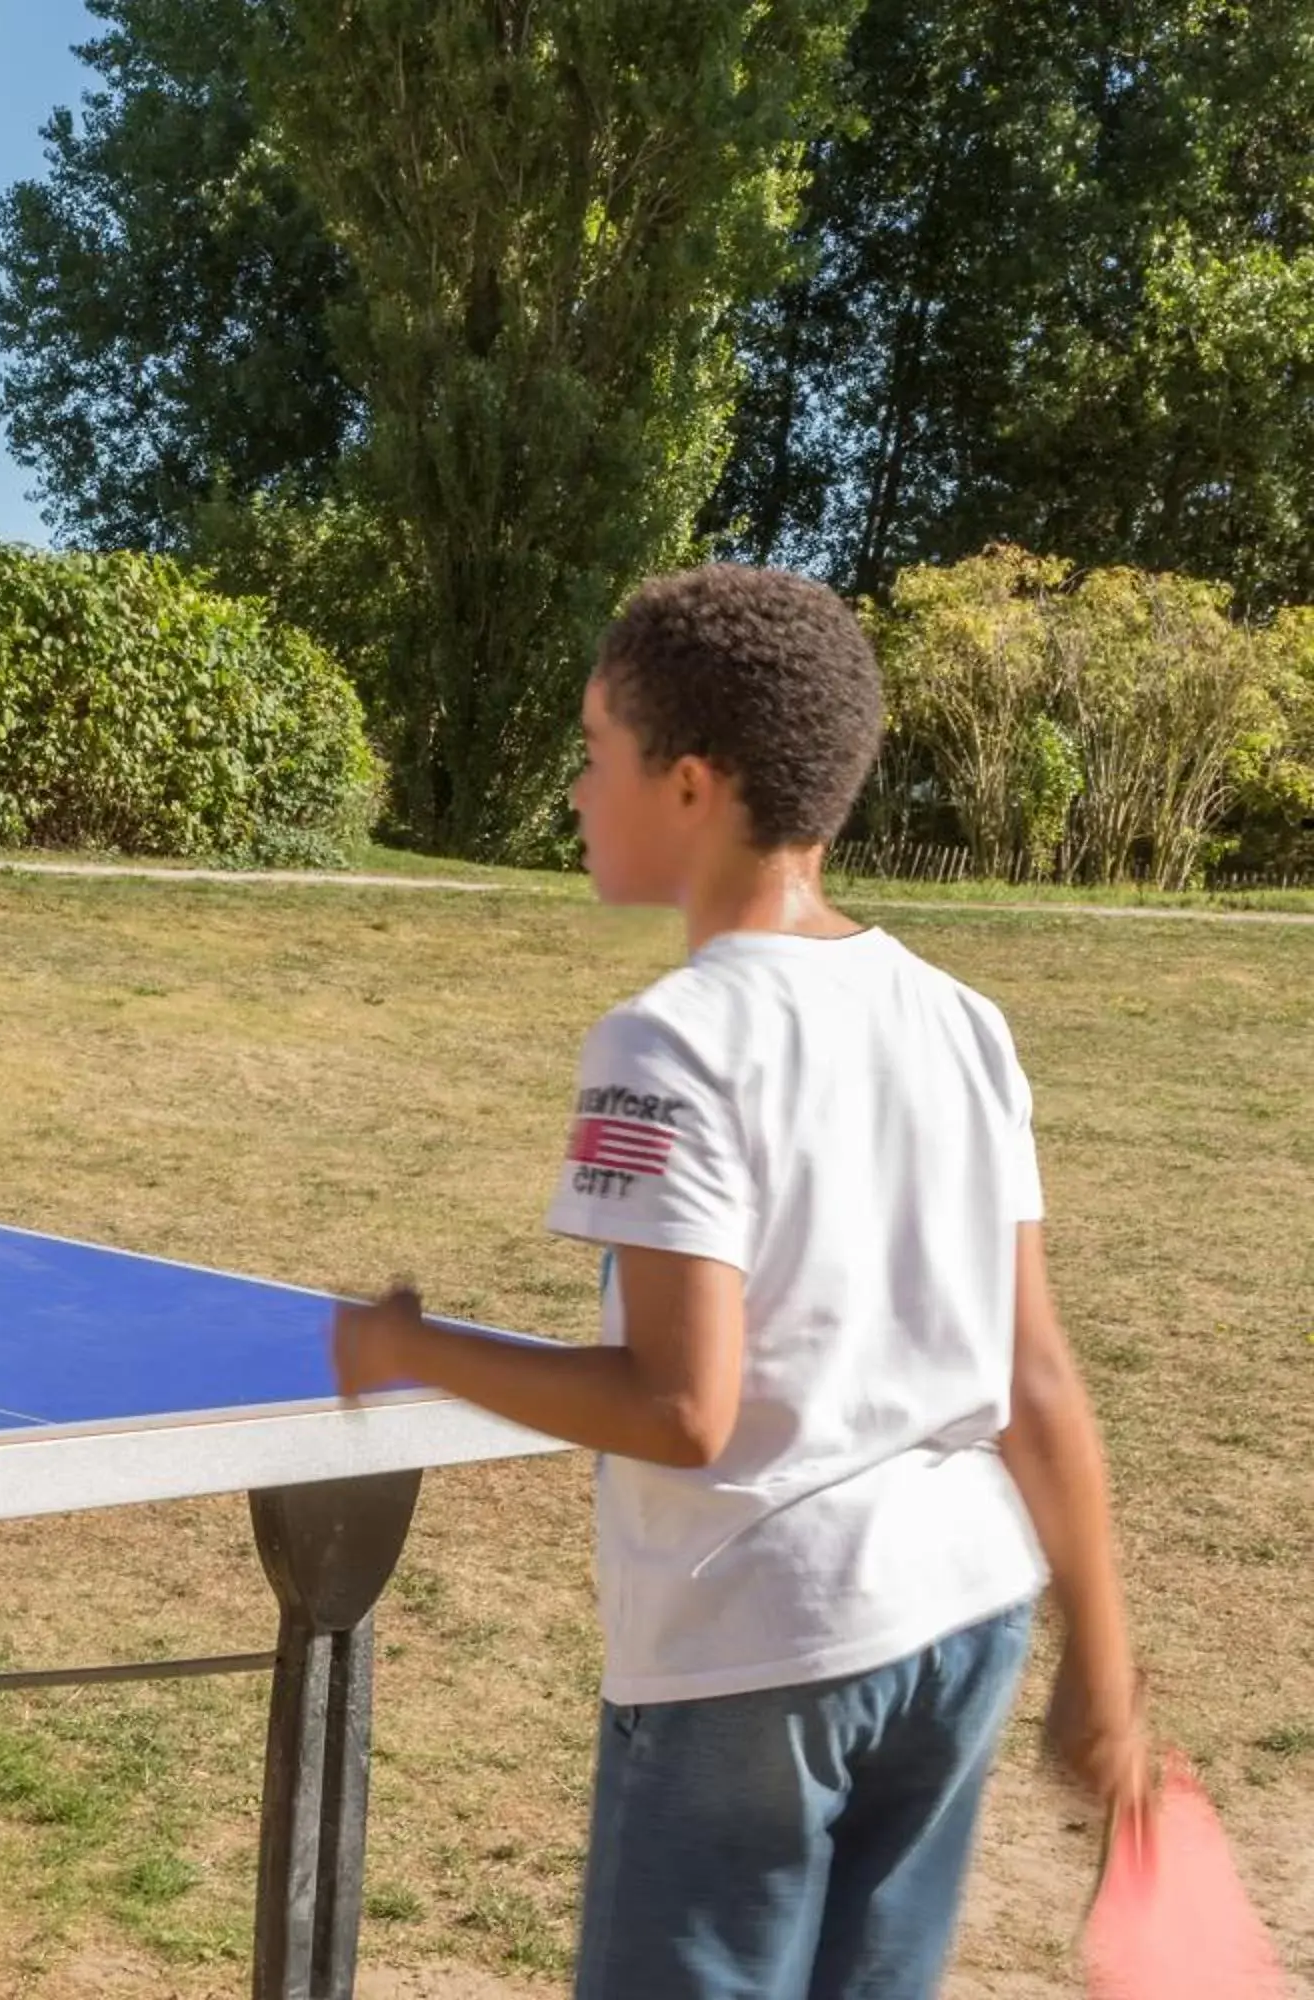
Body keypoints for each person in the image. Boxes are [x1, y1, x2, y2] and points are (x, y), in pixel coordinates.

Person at [329, 564, 1151, 1998]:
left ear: (692, 785)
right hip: (964, 1617)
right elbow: (1037, 1378)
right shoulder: (963, 1020)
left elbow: (679, 1408)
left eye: (597, 758)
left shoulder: (667, 1045)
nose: (578, 793)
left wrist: (412, 1348)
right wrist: (1104, 1660)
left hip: (761, 1655)